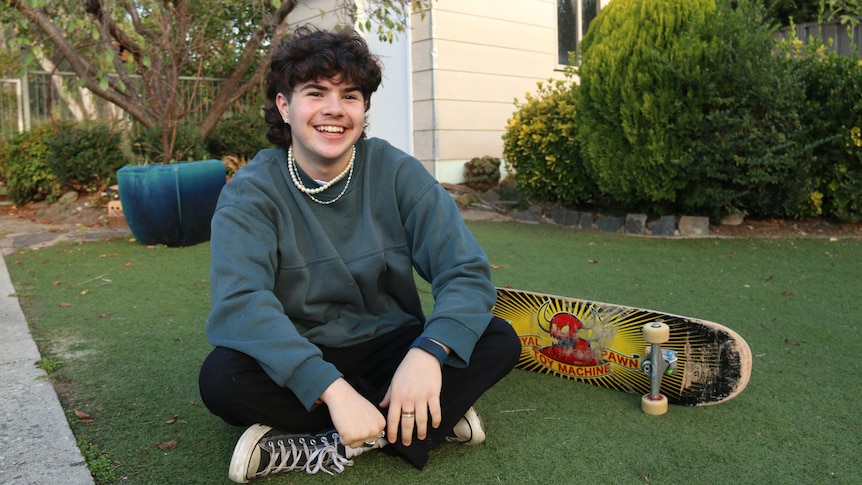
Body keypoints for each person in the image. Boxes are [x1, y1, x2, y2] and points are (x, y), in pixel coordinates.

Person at [198, 26, 521, 483]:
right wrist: (330, 389)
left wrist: (428, 353)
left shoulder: (397, 172)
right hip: (304, 348)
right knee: (222, 378)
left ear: (364, 108)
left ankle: (326, 441)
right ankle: (421, 422)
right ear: (284, 106)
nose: (334, 109)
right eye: (315, 93)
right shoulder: (249, 193)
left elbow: (464, 271)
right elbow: (241, 305)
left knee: (497, 338)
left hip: (392, 344)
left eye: (350, 95)